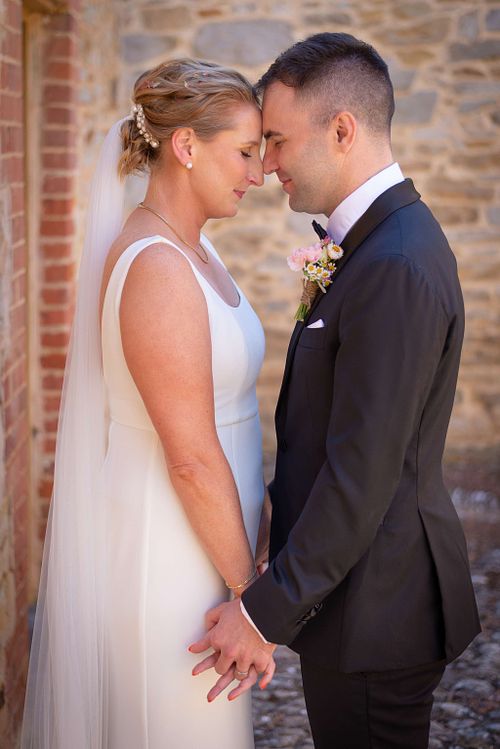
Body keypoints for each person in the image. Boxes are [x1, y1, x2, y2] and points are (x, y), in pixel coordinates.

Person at [190, 33, 481, 748]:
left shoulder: (395, 264)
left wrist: (260, 614)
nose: (268, 165)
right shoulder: (371, 246)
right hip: (355, 594)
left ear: (342, 130)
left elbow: (363, 474)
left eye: (279, 141)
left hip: (380, 607)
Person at [21, 58, 273, 749]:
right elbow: (189, 456)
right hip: (170, 553)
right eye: (244, 152)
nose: (257, 173)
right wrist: (251, 597)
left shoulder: (194, 248)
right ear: (186, 146)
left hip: (211, 542)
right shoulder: (159, 267)